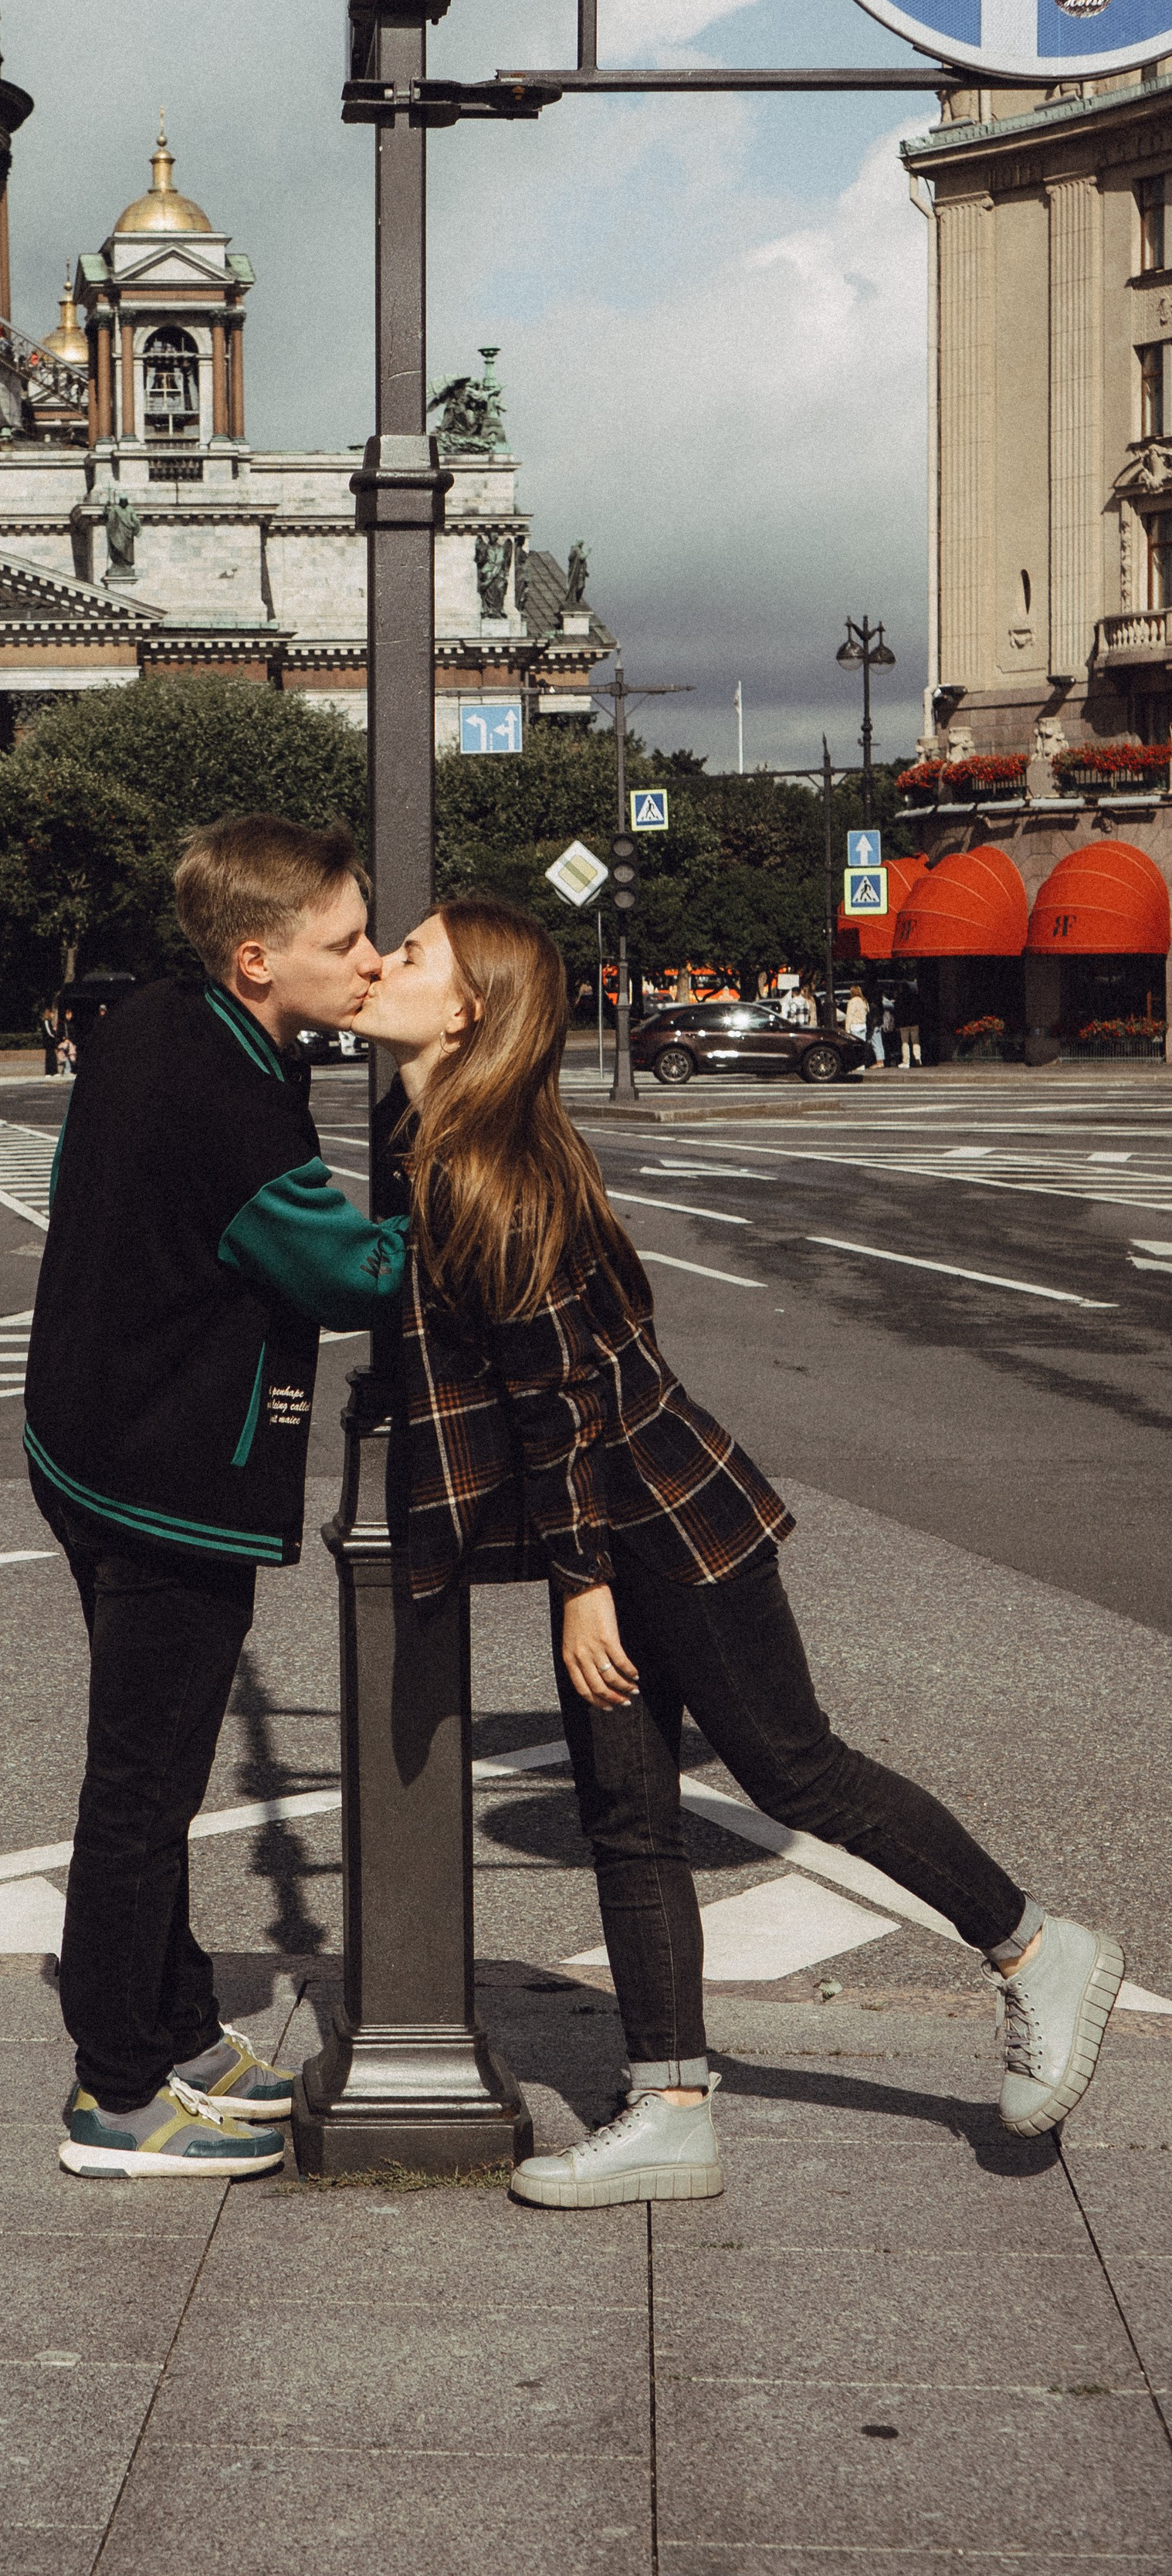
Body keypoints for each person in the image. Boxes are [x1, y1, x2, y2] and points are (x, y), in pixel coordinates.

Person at [361, 897, 1124, 2209]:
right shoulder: (431, 1138)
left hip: (659, 1519)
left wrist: (581, 1583)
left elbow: (565, 1403)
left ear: (467, 1010)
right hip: (620, 1515)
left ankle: (1035, 1947)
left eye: (413, 954)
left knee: (792, 1766)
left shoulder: (488, 1170)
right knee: (627, 1814)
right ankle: (667, 2102)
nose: (382, 963)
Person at [25, 816, 413, 2180]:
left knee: (149, 1775)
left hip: (84, 1441)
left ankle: (177, 2030)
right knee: (143, 1785)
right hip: (165, 1472)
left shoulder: (153, 1021)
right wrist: (448, 1206)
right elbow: (352, 1277)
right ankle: (117, 2095)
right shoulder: (233, 1098)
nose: (369, 961)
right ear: (258, 958)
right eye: (344, 940)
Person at [893, 974, 923, 1069]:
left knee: (905, 1042)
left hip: (904, 1023)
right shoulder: (914, 997)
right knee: (915, 1041)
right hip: (914, 1022)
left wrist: (897, 1024)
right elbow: (919, 1009)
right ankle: (918, 1057)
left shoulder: (899, 998)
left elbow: (897, 1012)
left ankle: (906, 1061)